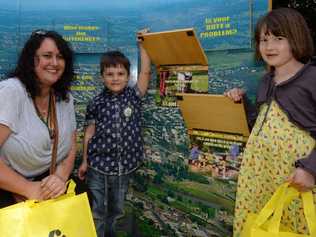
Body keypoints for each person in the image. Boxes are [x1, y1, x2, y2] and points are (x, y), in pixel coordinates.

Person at [224, 8, 316, 236]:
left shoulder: (312, 78)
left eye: (278, 38)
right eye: (264, 40)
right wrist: (241, 103)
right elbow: (260, 121)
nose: (269, 46)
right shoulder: (266, 80)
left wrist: (311, 169)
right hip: (260, 173)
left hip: (295, 175)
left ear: (296, 38)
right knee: (259, 224)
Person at [78, 30, 151, 237]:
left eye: (120, 74)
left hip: (123, 167)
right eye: (109, 74)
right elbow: (89, 133)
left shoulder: (134, 96)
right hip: (98, 166)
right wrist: (84, 161)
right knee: (97, 211)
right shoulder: (96, 103)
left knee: (117, 212)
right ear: (102, 77)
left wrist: (143, 46)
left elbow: (145, 73)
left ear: (128, 76)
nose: (115, 78)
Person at [0, 29, 77, 208]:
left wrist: (59, 178)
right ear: (31, 60)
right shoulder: (11, 92)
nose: (55, 63)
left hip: (48, 182)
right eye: (47, 55)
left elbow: (72, 146)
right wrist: (28, 189)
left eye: (60, 57)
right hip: (7, 188)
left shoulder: (65, 98)